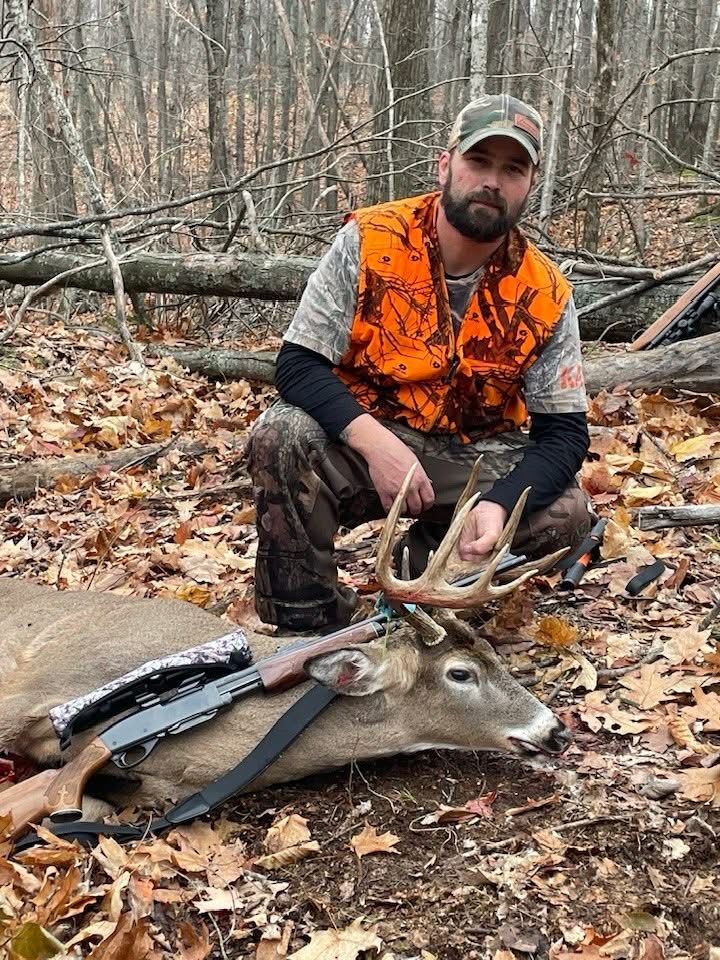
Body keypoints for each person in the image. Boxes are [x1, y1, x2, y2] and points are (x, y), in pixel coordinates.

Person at [247, 93, 593, 632]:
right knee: (281, 435)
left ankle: (417, 590)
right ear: (445, 164)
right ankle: (307, 624)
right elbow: (297, 362)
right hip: (365, 439)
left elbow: (565, 434)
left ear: (531, 184)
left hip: (469, 458)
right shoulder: (371, 240)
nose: (492, 181)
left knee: (567, 514)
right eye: (478, 160)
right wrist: (374, 442)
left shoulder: (545, 292)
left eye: (513, 169)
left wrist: (499, 504)